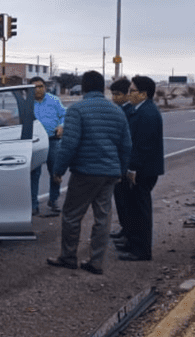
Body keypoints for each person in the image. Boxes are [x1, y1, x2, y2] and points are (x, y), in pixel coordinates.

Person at [46, 71, 131, 275]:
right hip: (109, 173)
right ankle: (96, 262)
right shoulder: (117, 111)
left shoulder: (77, 110)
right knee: (103, 218)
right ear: (102, 88)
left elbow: (69, 144)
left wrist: (58, 169)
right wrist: (121, 170)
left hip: (85, 172)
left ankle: (68, 257)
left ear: (83, 88)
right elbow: (126, 145)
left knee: (72, 216)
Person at [115, 76, 164, 261]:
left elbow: (142, 145)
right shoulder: (139, 109)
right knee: (133, 208)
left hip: (144, 170)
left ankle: (142, 250)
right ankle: (133, 242)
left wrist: (133, 169)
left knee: (140, 210)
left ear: (143, 94)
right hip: (141, 168)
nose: (129, 94)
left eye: (132, 91)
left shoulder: (148, 114)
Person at [29, 76, 66, 216]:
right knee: (34, 174)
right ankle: (33, 204)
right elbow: (18, 117)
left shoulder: (54, 100)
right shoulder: (27, 103)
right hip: (35, 142)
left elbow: (64, 115)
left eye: (40, 86)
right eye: (35, 87)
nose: (38, 89)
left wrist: (62, 126)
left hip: (52, 140)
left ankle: (54, 200)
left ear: (45, 87)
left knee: (55, 171)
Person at [108, 78, 133, 241]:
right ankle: (125, 229)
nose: (114, 98)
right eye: (113, 94)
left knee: (127, 201)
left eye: (117, 94)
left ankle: (129, 231)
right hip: (117, 163)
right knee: (120, 200)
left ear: (126, 95)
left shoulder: (129, 112)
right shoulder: (118, 110)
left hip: (125, 165)